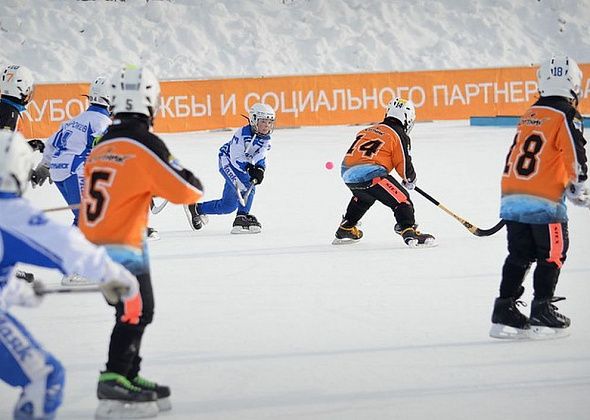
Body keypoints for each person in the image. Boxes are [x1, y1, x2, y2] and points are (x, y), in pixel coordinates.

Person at [78, 65, 204, 417]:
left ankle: (128, 373)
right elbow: (188, 189)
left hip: (96, 242)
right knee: (138, 310)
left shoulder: (104, 141)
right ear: (150, 102)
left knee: (130, 310)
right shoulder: (143, 140)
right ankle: (115, 378)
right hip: (123, 243)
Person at [0, 129, 141, 420]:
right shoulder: (9, 211)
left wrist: (18, 291)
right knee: (46, 377)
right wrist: (112, 275)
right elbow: (69, 246)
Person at [490, 54, 589, 339]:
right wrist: (580, 183)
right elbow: (574, 150)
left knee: (519, 254)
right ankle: (542, 311)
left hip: (511, 194)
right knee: (554, 252)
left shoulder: (531, 112)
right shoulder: (566, 113)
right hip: (543, 200)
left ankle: (504, 310)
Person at [332, 97, 435, 247]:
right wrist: (410, 179)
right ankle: (408, 230)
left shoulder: (368, 129)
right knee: (402, 199)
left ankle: (346, 228)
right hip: (372, 174)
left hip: (347, 173)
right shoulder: (398, 134)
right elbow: (403, 161)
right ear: (408, 118)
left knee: (364, 198)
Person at [183, 102, 275, 234]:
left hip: (242, 166)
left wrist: (260, 169)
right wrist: (250, 168)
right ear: (254, 120)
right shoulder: (242, 133)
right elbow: (236, 157)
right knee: (248, 186)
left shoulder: (267, 139)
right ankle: (241, 217)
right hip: (227, 161)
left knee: (228, 206)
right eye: (263, 122)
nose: (267, 126)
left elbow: (261, 155)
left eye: (270, 122)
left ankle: (196, 208)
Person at [33, 75, 112, 225]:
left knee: (85, 217)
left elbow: (51, 143)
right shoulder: (103, 122)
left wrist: (44, 166)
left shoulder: (74, 120)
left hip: (57, 171)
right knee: (88, 218)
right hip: (74, 171)